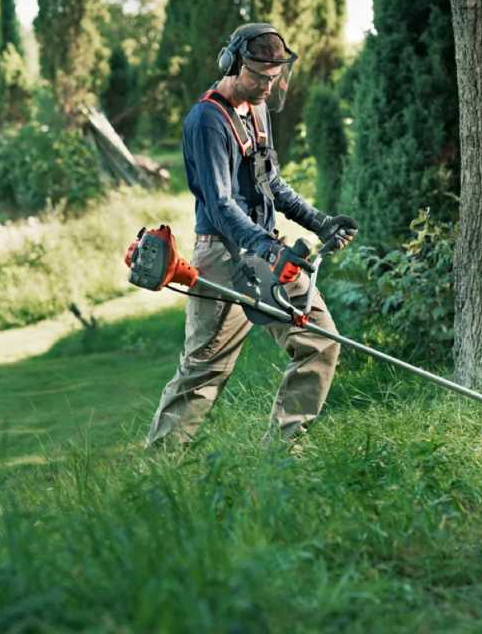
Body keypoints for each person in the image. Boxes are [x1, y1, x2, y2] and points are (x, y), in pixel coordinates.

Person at [145, 22, 358, 448]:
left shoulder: (257, 111)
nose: (266, 85)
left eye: (274, 77)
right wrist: (266, 246)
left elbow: (272, 182)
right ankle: (158, 469)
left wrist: (319, 221)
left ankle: (283, 452)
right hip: (223, 256)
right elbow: (220, 204)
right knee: (204, 370)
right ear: (233, 63)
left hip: (266, 249)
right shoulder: (207, 120)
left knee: (319, 341)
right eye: (259, 76)